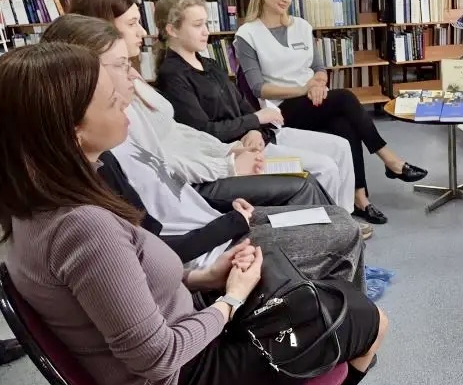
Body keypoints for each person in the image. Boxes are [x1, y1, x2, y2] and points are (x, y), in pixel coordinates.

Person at [0, 43, 389, 385]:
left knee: (312, 297)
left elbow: (118, 295)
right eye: (111, 99)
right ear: (72, 131)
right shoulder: (82, 226)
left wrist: (203, 280)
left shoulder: (33, 210)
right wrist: (229, 301)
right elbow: (157, 356)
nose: (126, 99)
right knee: (368, 323)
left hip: (179, 353)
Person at [42, 14, 373, 267]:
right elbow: (158, 240)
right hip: (210, 228)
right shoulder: (112, 150)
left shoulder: (207, 67)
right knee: (331, 214)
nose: (133, 75)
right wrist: (230, 167)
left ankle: (332, 283)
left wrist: (245, 137)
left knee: (339, 142)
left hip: (214, 199)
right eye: (121, 65)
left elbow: (180, 146)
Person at [66, 0, 327, 211]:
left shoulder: (198, 66)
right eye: (133, 23)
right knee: (307, 181)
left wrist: (234, 146)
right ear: (102, 27)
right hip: (199, 179)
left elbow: (182, 133)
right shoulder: (135, 93)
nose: (142, 31)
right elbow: (162, 160)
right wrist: (229, 162)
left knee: (321, 164)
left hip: (222, 154)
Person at [235, 0, 427, 225]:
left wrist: (319, 83)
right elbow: (258, 88)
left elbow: (319, 68)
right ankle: (389, 159)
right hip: (279, 109)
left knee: (344, 124)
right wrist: (304, 89)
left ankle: (360, 198)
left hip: (313, 100)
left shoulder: (301, 26)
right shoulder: (247, 34)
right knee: (345, 98)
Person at [153, 0, 356, 214]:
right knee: (325, 168)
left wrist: (255, 129)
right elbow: (203, 132)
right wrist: (255, 120)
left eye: (206, 24)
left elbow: (241, 103)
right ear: (172, 30)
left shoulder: (209, 64)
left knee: (340, 147)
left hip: (259, 136)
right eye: (197, 25)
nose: (206, 31)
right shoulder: (172, 75)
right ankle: (334, 222)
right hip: (237, 150)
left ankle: (346, 215)